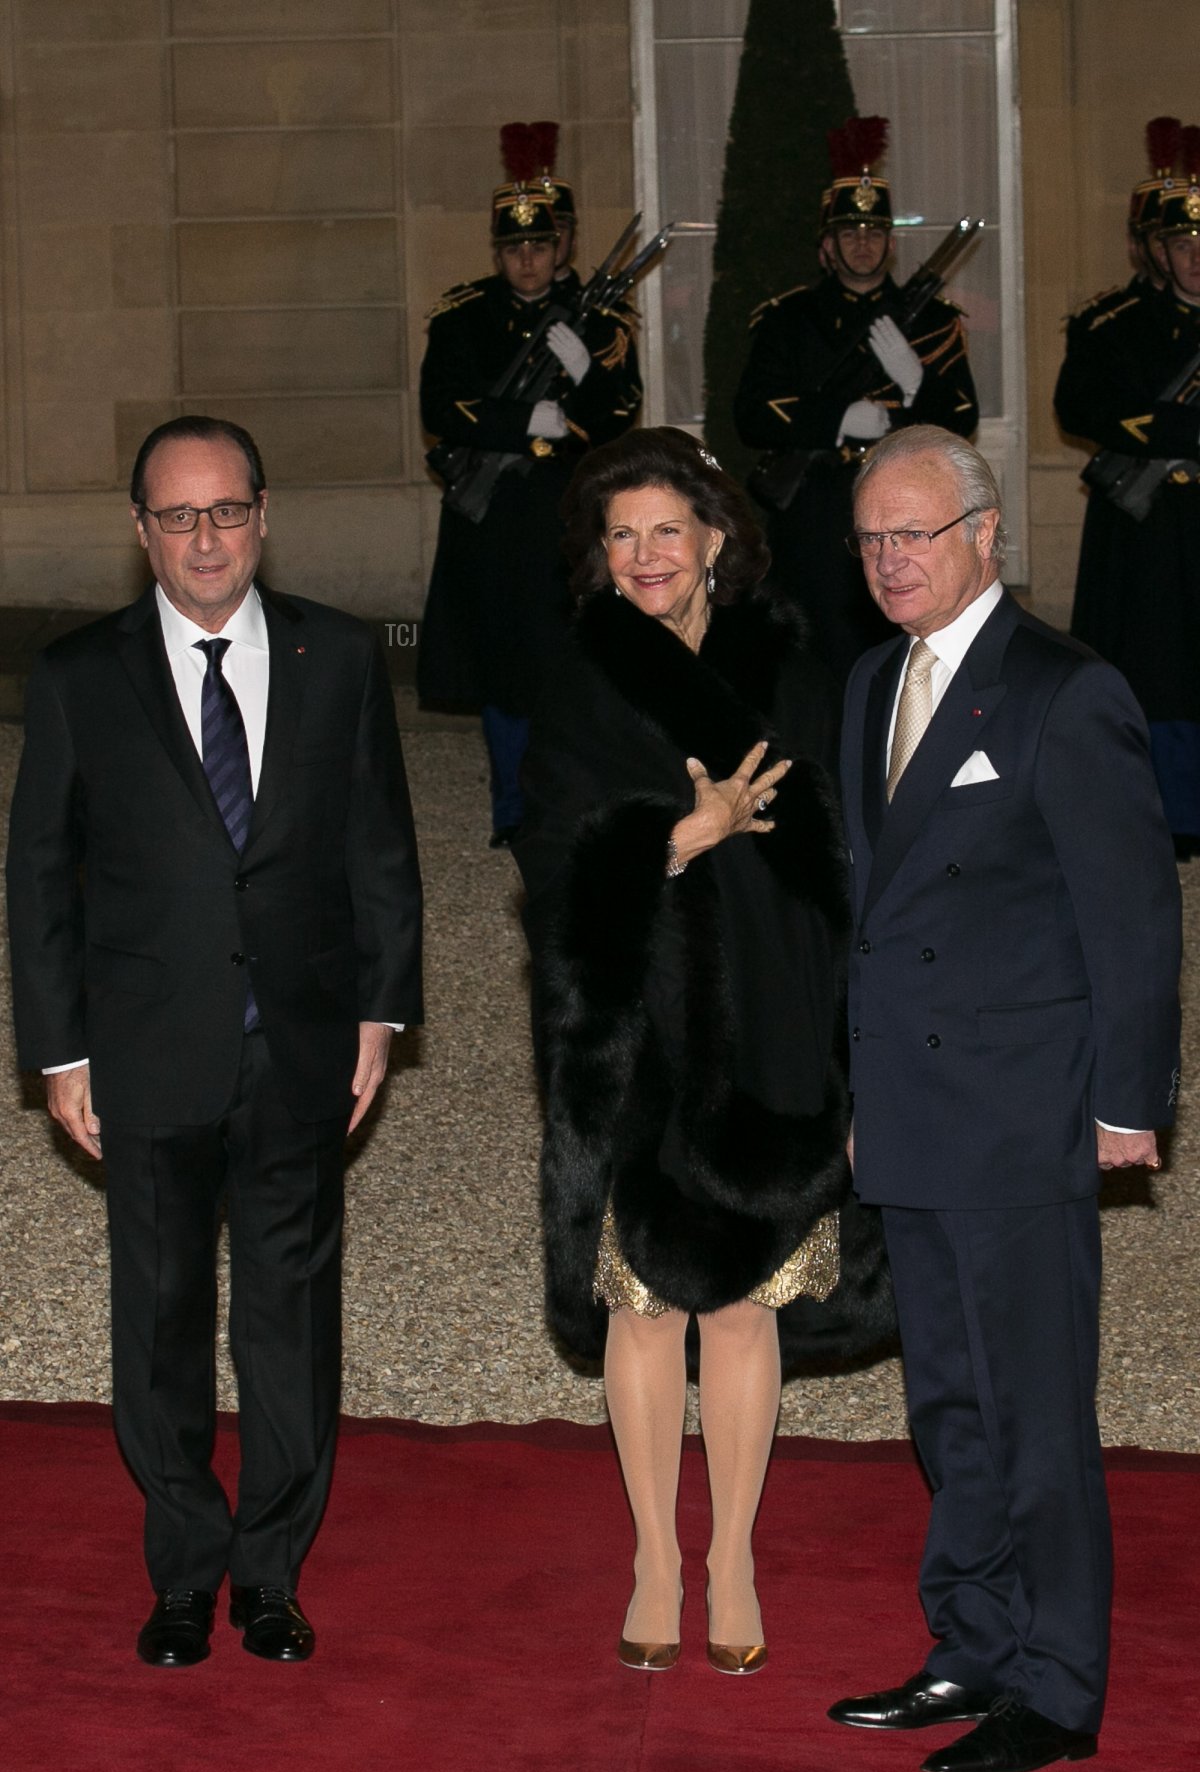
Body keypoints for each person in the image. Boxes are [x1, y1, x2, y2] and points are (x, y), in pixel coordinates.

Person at [6, 416, 424, 1668]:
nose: (207, 537)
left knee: (289, 1325)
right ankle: (184, 1568)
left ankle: (270, 1574)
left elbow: (381, 851)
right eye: (179, 516)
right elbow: (39, 876)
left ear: (262, 516)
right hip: (146, 1053)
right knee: (163, 1320)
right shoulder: (82, 674)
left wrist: (381, 1014)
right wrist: (58, 1053)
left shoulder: (339, 655)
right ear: (141, 530)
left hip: (300, 1050)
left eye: (228, 510)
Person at [514, 427, 894, 1678]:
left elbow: (840, 848)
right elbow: (557, 862)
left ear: (717, 538)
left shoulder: (792, 661)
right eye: (619, 534)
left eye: (665, 530)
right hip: (634, 1032)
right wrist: (686, 831)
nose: (643, 555)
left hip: (775, 1019)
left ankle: (729, 1550)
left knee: (738, 1303)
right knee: (640, 1307)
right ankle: (652, 1559)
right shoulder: (577, 672)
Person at [830, 425, 1180, 1772]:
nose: (888, 561)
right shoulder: (869, 683)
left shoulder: (1063, 689)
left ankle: (1058, 1679)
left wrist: (1127, 1100)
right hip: (915, 1105)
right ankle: (969, 1639)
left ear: (986, 534)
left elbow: (1133, 918)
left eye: (912, 534)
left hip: (1023, 1110)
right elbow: (870, 913)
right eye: (868, 539)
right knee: (949, 1405)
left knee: (1036, 1410)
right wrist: (862, 1093)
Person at [417, 122, 642, 847]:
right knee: (501, 666)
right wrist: (523, 421)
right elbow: (440, 406)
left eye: (540, 246)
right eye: (514, 248)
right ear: (498, 252)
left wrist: (585, 372)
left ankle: (575, 795)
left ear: (561, 246)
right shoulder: (463, 316)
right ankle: (513, 808)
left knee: (574, 661)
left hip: (567, 514)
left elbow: (619, 415)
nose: (527, 260)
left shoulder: (598, 323)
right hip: (494, 522)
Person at [734, 115, 978, 685]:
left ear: (892, 244)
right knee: (817, 660)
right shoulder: (790, 320)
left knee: (908, 650)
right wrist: (837, 420)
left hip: (909, 510)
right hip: (820, 510)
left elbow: (962, 418)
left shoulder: (934, 321)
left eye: (873, 233)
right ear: (826, 247)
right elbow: (751, 412)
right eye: (848, 233)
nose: (862, 244)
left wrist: (915, 384)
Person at [1055, 124, 1200, 859]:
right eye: (1183, 246)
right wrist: (1180, 430)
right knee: (1151, 668)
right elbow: (1079, 408)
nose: (1196, 259)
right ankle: (1160, 811)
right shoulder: (1112, 324)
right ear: (1157, 249)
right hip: (1146, 531)